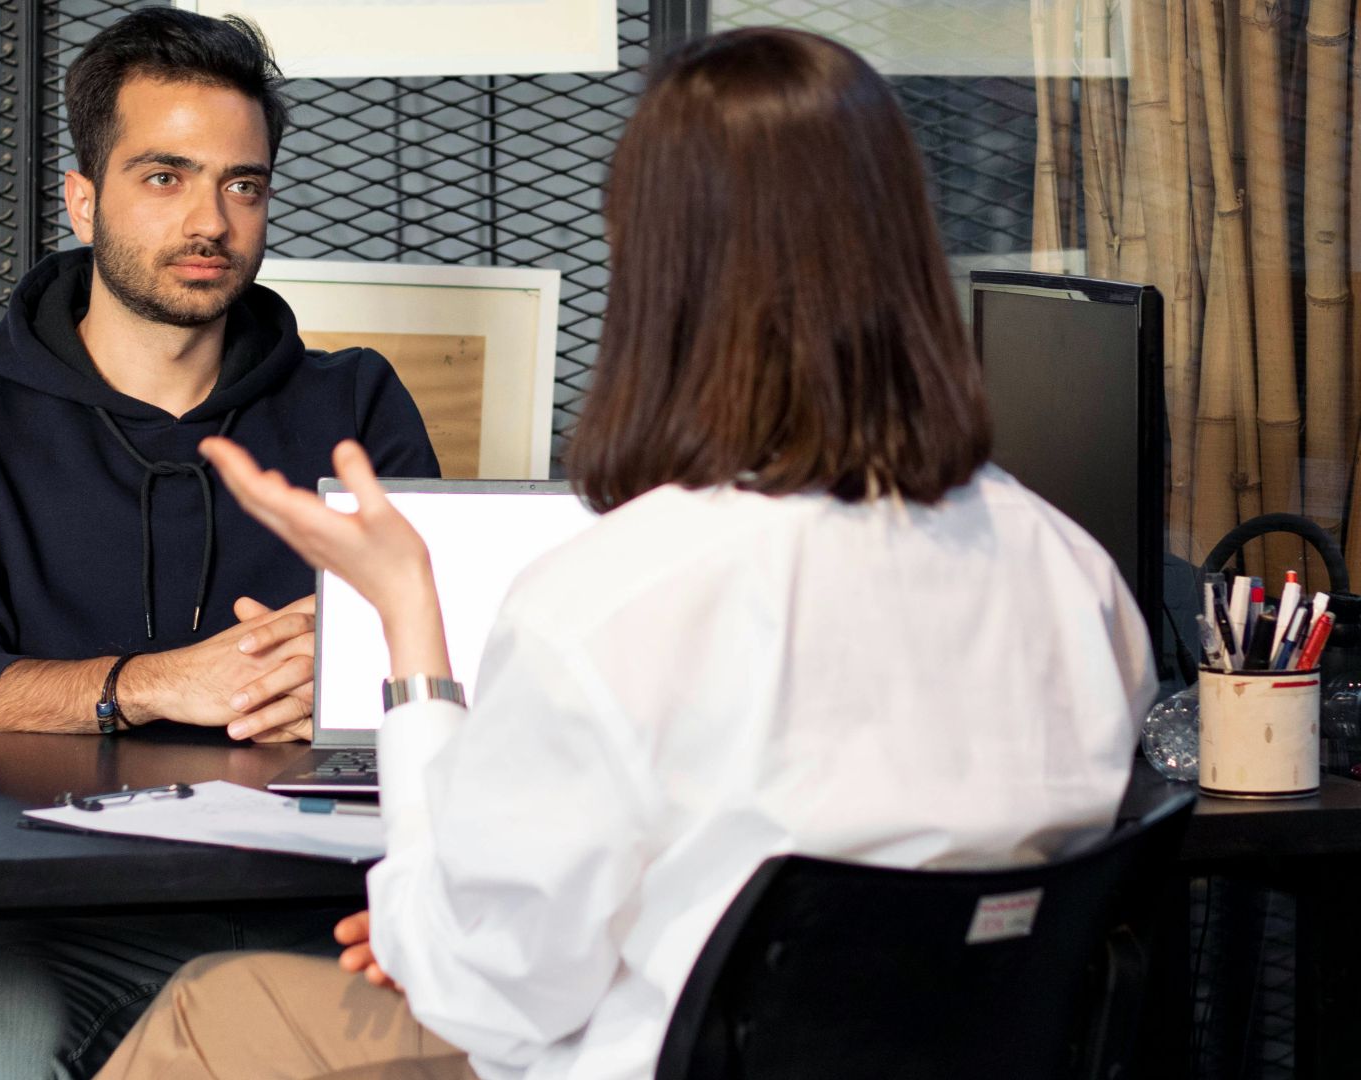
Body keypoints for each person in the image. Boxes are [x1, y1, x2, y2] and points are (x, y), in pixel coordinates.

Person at [95, 26, 1158, 1080]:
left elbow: (491, 994)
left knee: (207, 1014)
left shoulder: (618, 598)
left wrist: (414, 674)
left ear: (659, 268)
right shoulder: (1070, 572)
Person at [0, 9, 438, 1076]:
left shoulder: (358, 402)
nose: (211, 219)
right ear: (83, 197)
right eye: (166, 176)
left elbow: (469, 659)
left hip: (339, 903)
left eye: (242, 183)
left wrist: (348, 673)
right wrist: (154, 684)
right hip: (60, 909)